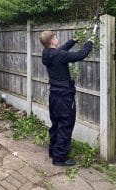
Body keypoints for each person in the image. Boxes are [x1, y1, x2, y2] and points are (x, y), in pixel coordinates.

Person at [40, 31, 94, 166]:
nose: (57, 39)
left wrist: (73, 41)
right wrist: (90, 42)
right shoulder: (58, 55)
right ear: (52, 40)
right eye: (55, 37)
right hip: (64, 96)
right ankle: (60, 158)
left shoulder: (46, 54)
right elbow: (81, 55)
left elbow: (60, 51)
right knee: (65, 124)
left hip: (54, 95)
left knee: (56, 124)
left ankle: (53, 151)